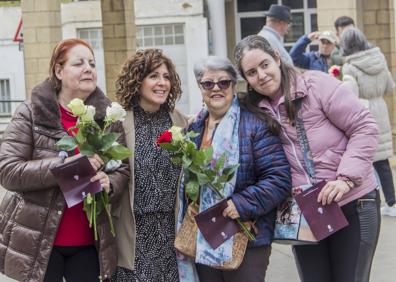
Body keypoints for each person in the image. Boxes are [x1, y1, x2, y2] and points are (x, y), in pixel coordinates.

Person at [235, 35, 380, 282]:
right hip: (307, 212)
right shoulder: (254, 110)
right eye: (251, 72)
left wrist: (345, 179)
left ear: (277, 58)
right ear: (246, 79)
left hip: (353, 202)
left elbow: (364, 127)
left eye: (265, 65)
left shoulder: (316, 85)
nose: (261, 75)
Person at [0, 38, 129, 282]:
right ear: (59, 71)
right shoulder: (30, 113)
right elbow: (7, 171)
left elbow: (121, 169)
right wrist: (65, 167)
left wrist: (109, 183)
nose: (88, 68)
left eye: (91, 63)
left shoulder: (109, 117)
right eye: (78, 63)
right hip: (38, 243)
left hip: (89, 243)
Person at [187, 56, 291, 282]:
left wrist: (241, 204)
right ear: (200, 87)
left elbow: (279, 178)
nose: (216, 88)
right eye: (208, 83)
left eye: (223, 82)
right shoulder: (194, 127)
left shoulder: (255, 124)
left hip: (248, 236)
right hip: (205, 235)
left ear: (234, 86)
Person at [110, 48, 188, 282]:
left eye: (166, 77)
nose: (162, 83)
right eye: (154, 76)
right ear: (137, 80)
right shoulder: (119, 124)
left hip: (170, 232)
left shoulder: (180, 121)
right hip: (134, 232)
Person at [340, 27, 396, 217]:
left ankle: (372, 202)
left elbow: (350, 94)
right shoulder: (379, 58)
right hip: (381, 108)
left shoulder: (349, 66)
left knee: (365, 161)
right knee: (382, 162)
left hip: (364, 112)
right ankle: (392, 202)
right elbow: (390, 86)